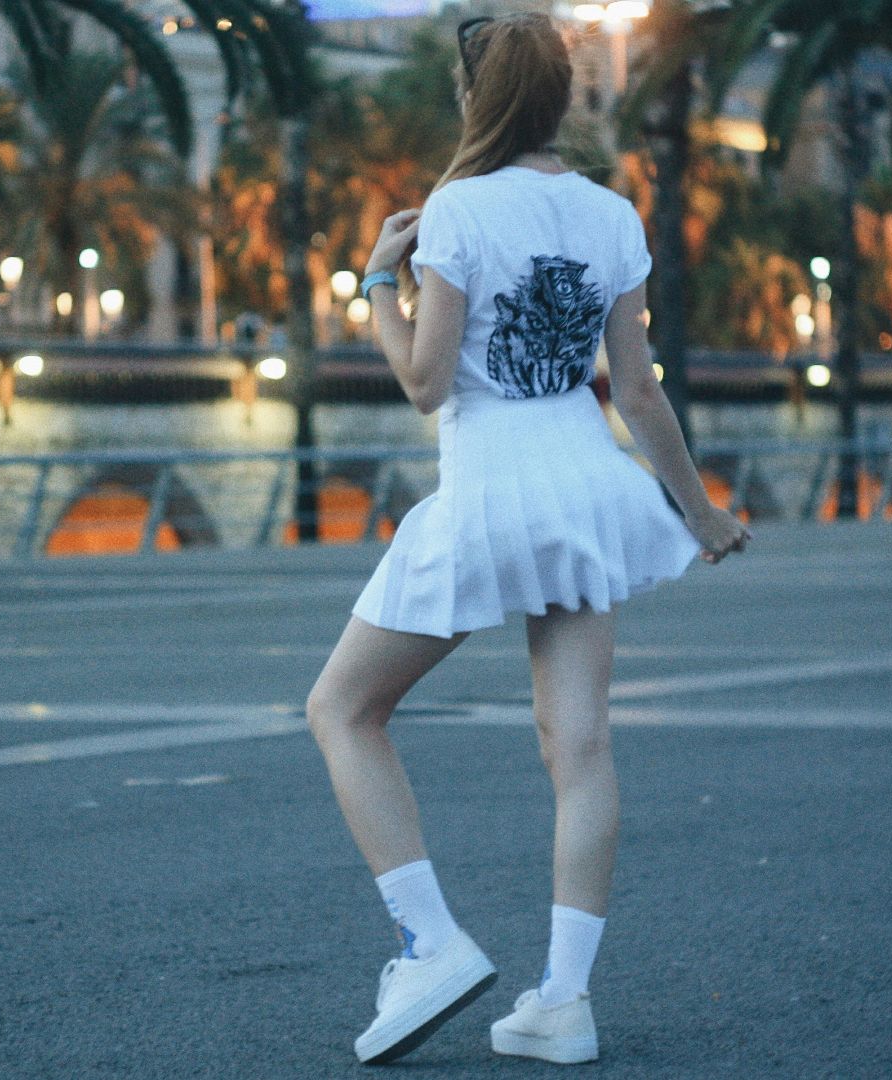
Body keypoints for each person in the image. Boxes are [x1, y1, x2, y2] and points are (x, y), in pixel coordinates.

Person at [303, 11, 750, 1066]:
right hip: (587, 488)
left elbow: (422, 382)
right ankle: (563, 1000)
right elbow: (637, 393)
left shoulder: (457, 212)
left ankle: (429, 943)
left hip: (490, 492)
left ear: (477, 99)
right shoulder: (612, 215)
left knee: (342, 708)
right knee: (580, 742)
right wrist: (700, 513)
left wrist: (376, 285)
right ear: (561, 99)